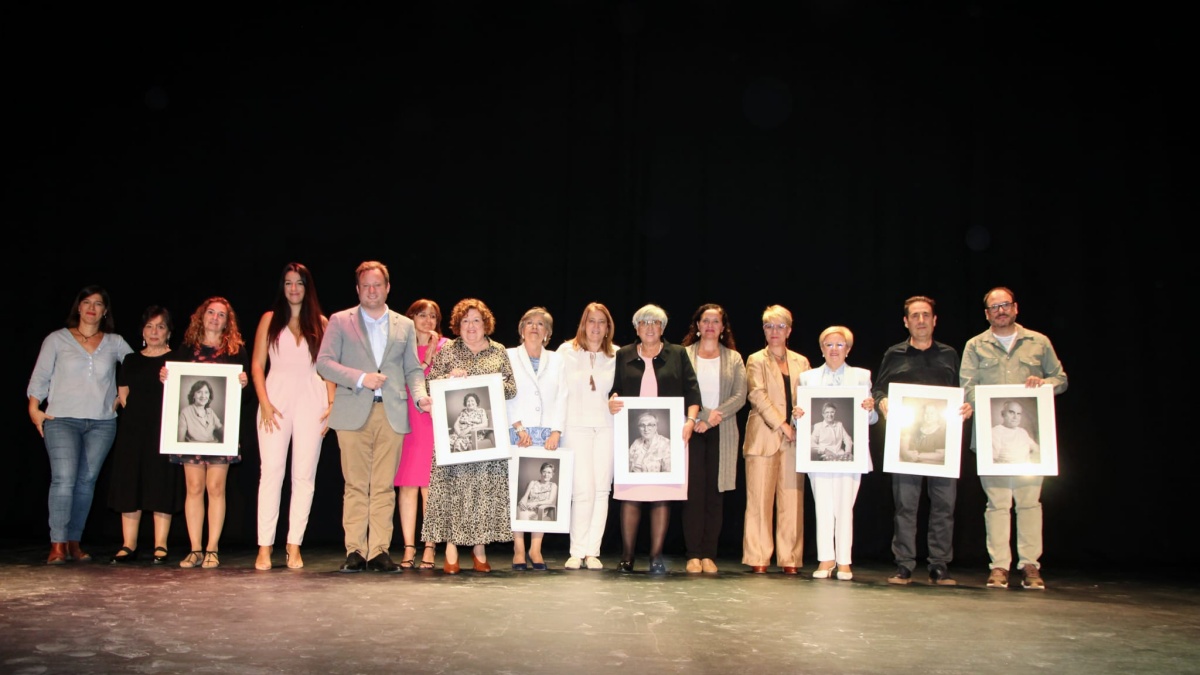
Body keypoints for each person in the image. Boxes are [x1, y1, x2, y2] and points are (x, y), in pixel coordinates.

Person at [316, 261, 431, 574]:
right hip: (353, 410)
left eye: (377, 285)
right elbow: (323, 363)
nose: (371, 290)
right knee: (355, 485)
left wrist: (421, 397)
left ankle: (379, 551)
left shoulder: (403, 325)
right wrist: (359, 378)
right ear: (357, 289)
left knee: (382, 487)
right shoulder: (341, 321)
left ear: (387, 287)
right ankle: (355, 550)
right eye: (365, 285)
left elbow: (412, 368)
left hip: (391, 412)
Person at [961, 286, 1067, 590]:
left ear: (1016, 308)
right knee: (997, 504)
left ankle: (1030, 564)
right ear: (987, 314)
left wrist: (1042, 383)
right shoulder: (975, 346)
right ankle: (999, 566)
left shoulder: (1038, 342)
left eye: (1005, 305)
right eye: (994, 307)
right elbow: (967, 387)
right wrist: (973, 402)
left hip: (1029, 444)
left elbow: (1061, 379)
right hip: (990, 442)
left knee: (1029, 503)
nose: (1001, 311)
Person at [27, 285, 133, 565]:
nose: (91, 308)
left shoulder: (115, 342)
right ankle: (58, 544)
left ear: (105, 311)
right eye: (86, 302)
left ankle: (74, 542)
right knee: (64, 480)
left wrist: (121, 394)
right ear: (78, 307)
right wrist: (33, 408)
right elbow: (40, 376)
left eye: (98, 303)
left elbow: (137, 367)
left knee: (86, 483)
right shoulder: (57, 339)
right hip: (61, 419)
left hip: (101, 423)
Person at [874, 295, 971, 586]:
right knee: (905, 505)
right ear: (906, 321)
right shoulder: (894, 354)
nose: (920, 320)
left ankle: (939, 565)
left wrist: (965, 407)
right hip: (905, 443)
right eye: (914, 316)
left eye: (925, 315)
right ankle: (904, 564)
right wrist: (883, 403)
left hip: (944, 443)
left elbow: (960, 393)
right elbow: (878, 390)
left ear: (934, 320)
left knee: (943, 506)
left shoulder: (950, 354)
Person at [421, 298, 517, 574]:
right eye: (465, 321)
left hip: (488, 439)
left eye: (476, 320)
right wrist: (450, 379)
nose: (471, 326)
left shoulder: (498, 351)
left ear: (485, 324)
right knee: (454, 490)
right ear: (457, 326)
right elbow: (430, 384)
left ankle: (479, 549)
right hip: (455, 440)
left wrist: (492, 383)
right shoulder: (449, 350)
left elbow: (511, 388)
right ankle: (451, 549)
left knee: (483, 491)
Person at [250, 262, 334, 571]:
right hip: (275, 401)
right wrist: (265, 402)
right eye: (288, 283)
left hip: (312, 402)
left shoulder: (321, 323)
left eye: (299, 283)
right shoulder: (269, 320)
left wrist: (331, 403)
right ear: (282, 287)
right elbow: (257, 365)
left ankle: (294, 544)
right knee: (271, 472)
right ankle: (264, 546)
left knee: (304, 476)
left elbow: (328, 368)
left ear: (307, 287)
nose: (293, 288)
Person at [609, 304, 701, 575]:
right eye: (644, 322)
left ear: (662, 328)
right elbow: (615, 389)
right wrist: (612, 400)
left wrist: (690, 421)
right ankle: (627, 556)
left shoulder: (678, 354)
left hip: (668, 438)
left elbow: (692, 393)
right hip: (633, 440)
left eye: (655, 323)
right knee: (631, 497)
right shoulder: (624, 354)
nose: (650, 327)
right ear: (636, 328)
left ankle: (656, 556)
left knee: (662, 497)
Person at [163, 297, 250, 569]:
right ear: (201, 316)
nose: (215, 318)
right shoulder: (187, 348)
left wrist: (244, 385)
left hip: (220, 438)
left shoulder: (236, 351)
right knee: (194, 487)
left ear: (228, 321)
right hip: (189, 439)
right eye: (210, 313)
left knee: (215, 488)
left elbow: (244, 400)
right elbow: (174, 384)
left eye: (221, 315)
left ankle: (212, 548)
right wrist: (166, 377)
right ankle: (195, 549)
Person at [795, 326, 878, 581]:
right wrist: (796, 416)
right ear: (821, 350)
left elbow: (871, 420)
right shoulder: (808, 378)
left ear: (848, 349)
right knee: (823, 506)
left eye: (840, 345)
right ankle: (825, 559)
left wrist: (869, 409)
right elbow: (802, 422)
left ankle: (844, 561)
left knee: (844, 508)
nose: (834, 349)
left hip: (850, 460)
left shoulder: (862, 377)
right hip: (817, 459)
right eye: (829, 345)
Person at [106, 306, 183, 565]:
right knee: (131, 484)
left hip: (164, 431)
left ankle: (160, 544)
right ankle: (129, 544)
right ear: (142, 331)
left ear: (169, 332)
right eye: (149, 326)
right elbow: (124, 395)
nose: (154, 332)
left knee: (161, 483)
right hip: (133, 431)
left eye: (160, 327)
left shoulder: (177, 361)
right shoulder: (131, 360)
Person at [742, 305, 812, 574]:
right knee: (759, 501)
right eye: (769, 326)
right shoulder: (755, 359)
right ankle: (758, 556)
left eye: (780, 326)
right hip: (764, 437)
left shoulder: (802, 362)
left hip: (795, 439)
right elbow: (757, 396)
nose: (774, 332)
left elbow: (808, 398)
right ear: (763, 330)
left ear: (789, 330)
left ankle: (790, 558)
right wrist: (783, 425)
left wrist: (797, 424)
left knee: (792, 501)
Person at [680, 303, 747, 574]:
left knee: (715, 494)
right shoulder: (683, 355)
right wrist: (703, 416)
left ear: (722, 327)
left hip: (723, 430)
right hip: (691, 428)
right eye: (705, 321)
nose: (709, 325)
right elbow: (680, 389)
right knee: (692, 494)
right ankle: (693, 554)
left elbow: (741, 395)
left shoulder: (734, 358)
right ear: (697, 325)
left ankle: (709, 554)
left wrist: (714, 417)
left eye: (715, 321)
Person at [556, 302, 618, 570]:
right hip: (576, 428)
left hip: (607, 428)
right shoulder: (566, 352)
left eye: (601, 322)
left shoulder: (617, 355)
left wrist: (616, 400)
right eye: (591, 321)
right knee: (582, 491)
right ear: (583, 324)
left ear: (608, 327)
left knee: (602, 490)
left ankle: (593, 551)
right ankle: (576, 550)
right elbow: (557, 392)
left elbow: (623, 391)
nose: (595, 326)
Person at [506, 307, 566, 571]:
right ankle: (519, 548)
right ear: (521, 330)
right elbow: (502, 393)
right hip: (518, 434)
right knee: (518, 490)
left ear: (547, 333)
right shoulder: (507, 356)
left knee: (543, 494)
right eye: (528, 323)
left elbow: (563, 396)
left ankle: (536, 549)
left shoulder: (557, 360)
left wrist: (557, 431)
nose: (534, 327)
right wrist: (518, 428)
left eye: (540, 324)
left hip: (547, 436)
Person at [393, 299, 448, 569]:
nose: (427, 321)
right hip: (405, 419)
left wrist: (431, 358)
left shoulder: (445, 346)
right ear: (411, 317)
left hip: (432, 421)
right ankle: (408, 546)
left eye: (433, 317)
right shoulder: (401, 345)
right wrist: (423, 359)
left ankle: (429, 545)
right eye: (422, 315)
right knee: (406, 485)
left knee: (429, 485)